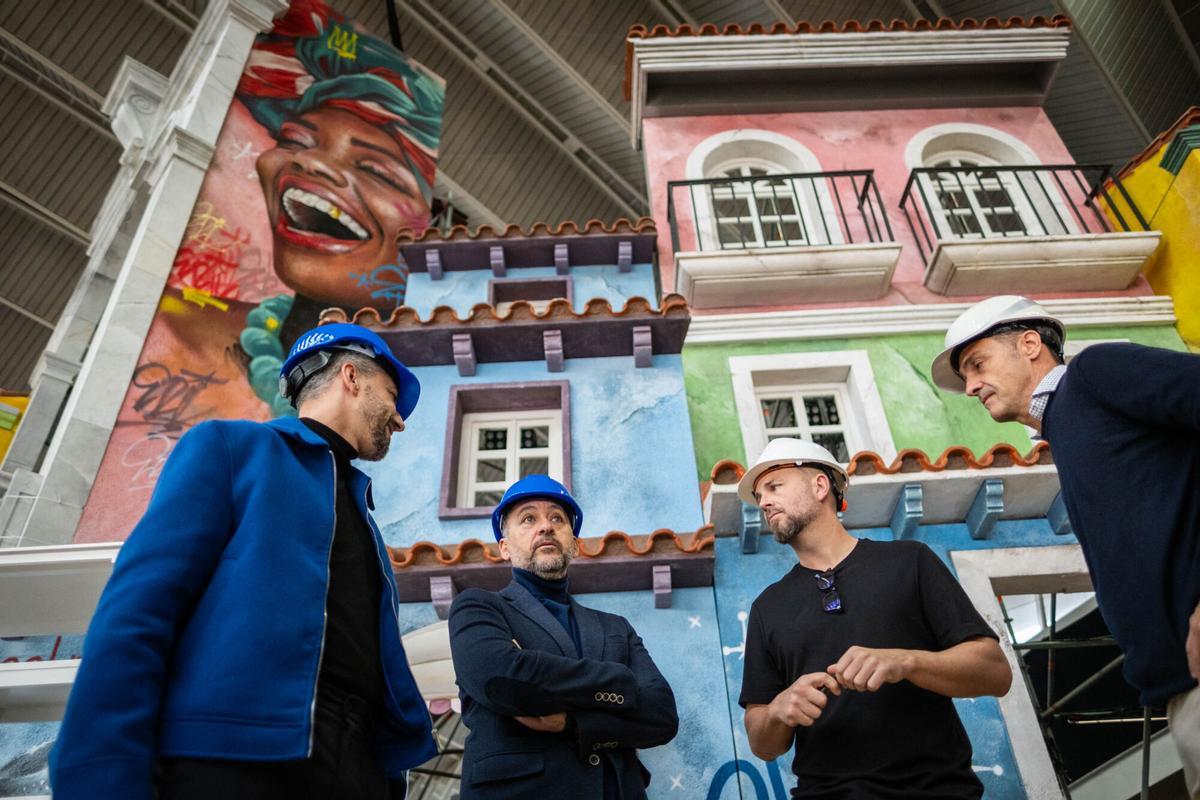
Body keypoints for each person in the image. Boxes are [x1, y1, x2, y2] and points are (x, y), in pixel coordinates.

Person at [50, 323, 435, 800]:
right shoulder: (230, 449)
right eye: (392, 394)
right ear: (352, 377)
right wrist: (101, 775)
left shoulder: (362, 517)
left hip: (355, 774)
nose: (400, 419)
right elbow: (138, 610)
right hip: (231, 766)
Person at [933, 294, 1200, 796]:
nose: (969, 387)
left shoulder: (1095, 372)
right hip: (1180, 689)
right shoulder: (1068, 427)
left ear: (1030, 345)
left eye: (977, 365)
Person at [737, 438, 1012, 799]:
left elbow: (996, 673)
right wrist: (777, 711)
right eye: (759, 496)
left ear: (820, 486)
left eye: (774, 487)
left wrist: (906, 661)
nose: (764, 503)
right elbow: (763, 744)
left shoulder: (910, 561)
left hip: (940, 791)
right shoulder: (766, 608)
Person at [447, 475, 678, 799]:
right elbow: (502, 679)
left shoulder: (616, 627)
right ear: (504, 547)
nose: (546, 527)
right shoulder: (478, 606)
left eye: (557, 518)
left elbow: (662, 716)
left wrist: (575, 724)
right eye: (528, 518)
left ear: (575, 544)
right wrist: (620, 682)